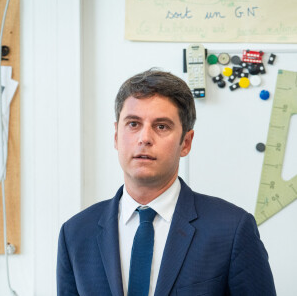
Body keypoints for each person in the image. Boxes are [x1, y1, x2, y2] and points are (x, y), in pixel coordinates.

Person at [57, 69, 276, 296]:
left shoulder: (232, 230)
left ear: (186, 143)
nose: (144, 138)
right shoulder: (75, 234)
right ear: (116, 136)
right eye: (133, 124)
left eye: (161, 126)